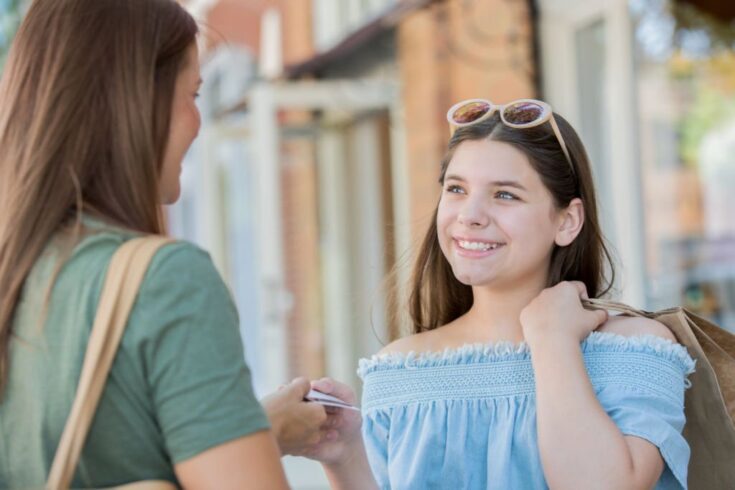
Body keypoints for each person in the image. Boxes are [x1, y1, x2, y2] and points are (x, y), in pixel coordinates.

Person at [0, 0, 361, 488]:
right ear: (135, 101)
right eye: (191, 94)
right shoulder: (165, 280)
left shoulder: (18, 268)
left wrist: (253, 431)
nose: (198, 121)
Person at [352, 99, 696, 489]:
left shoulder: (635, 349)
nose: (470, 215)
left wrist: (552, 339)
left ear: (567, 222)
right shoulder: (398, 370)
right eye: (456, 189)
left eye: (505, 195)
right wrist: (342, 456)